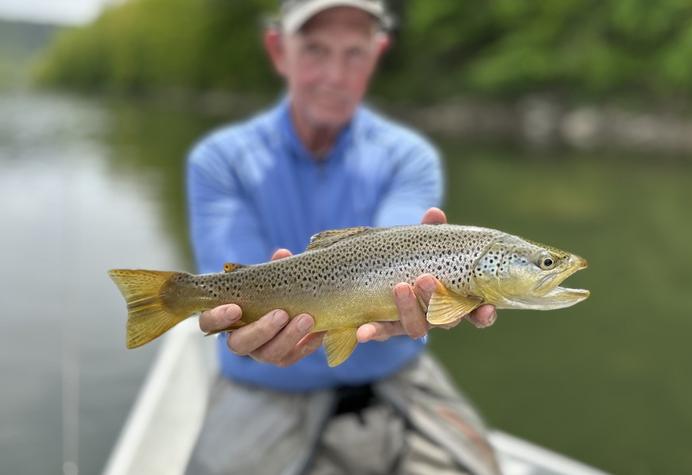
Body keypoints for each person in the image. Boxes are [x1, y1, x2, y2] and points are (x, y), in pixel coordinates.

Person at [185, 1, 501, 473]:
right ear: (278, 50)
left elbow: (404, 250)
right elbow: (236, 282)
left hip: (397, 376)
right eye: (315, 49)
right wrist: (238, 323)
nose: (335, 74)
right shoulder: (219, 160)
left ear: (378, 53)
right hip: (264, 384)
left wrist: (431, 296)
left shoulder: (410, 156)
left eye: (354, 53)